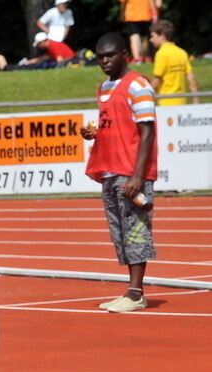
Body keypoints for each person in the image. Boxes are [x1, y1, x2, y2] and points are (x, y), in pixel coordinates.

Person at [81, 32, 158, 313]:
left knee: (136, 231)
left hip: (131, 172)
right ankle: (130, 291)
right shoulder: (104, 87)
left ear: (124, 54)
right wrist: (94, 134)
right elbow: (115, 125)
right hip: (110, 170)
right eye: (100, 56)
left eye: (110, 55)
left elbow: (146, 131)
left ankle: (136, 293)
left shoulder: (138, 85)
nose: (104, 61)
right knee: (121, 233)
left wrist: (138, 176)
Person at [149, 20, 199, 106]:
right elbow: (191, 80)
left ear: (162, 36)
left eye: (153, 36)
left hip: (166, 102)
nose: (151, 40)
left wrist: (145, 94)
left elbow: (157, 81)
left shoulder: (161, 54)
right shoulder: (182, 52)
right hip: (181, 102)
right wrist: (196, 101)